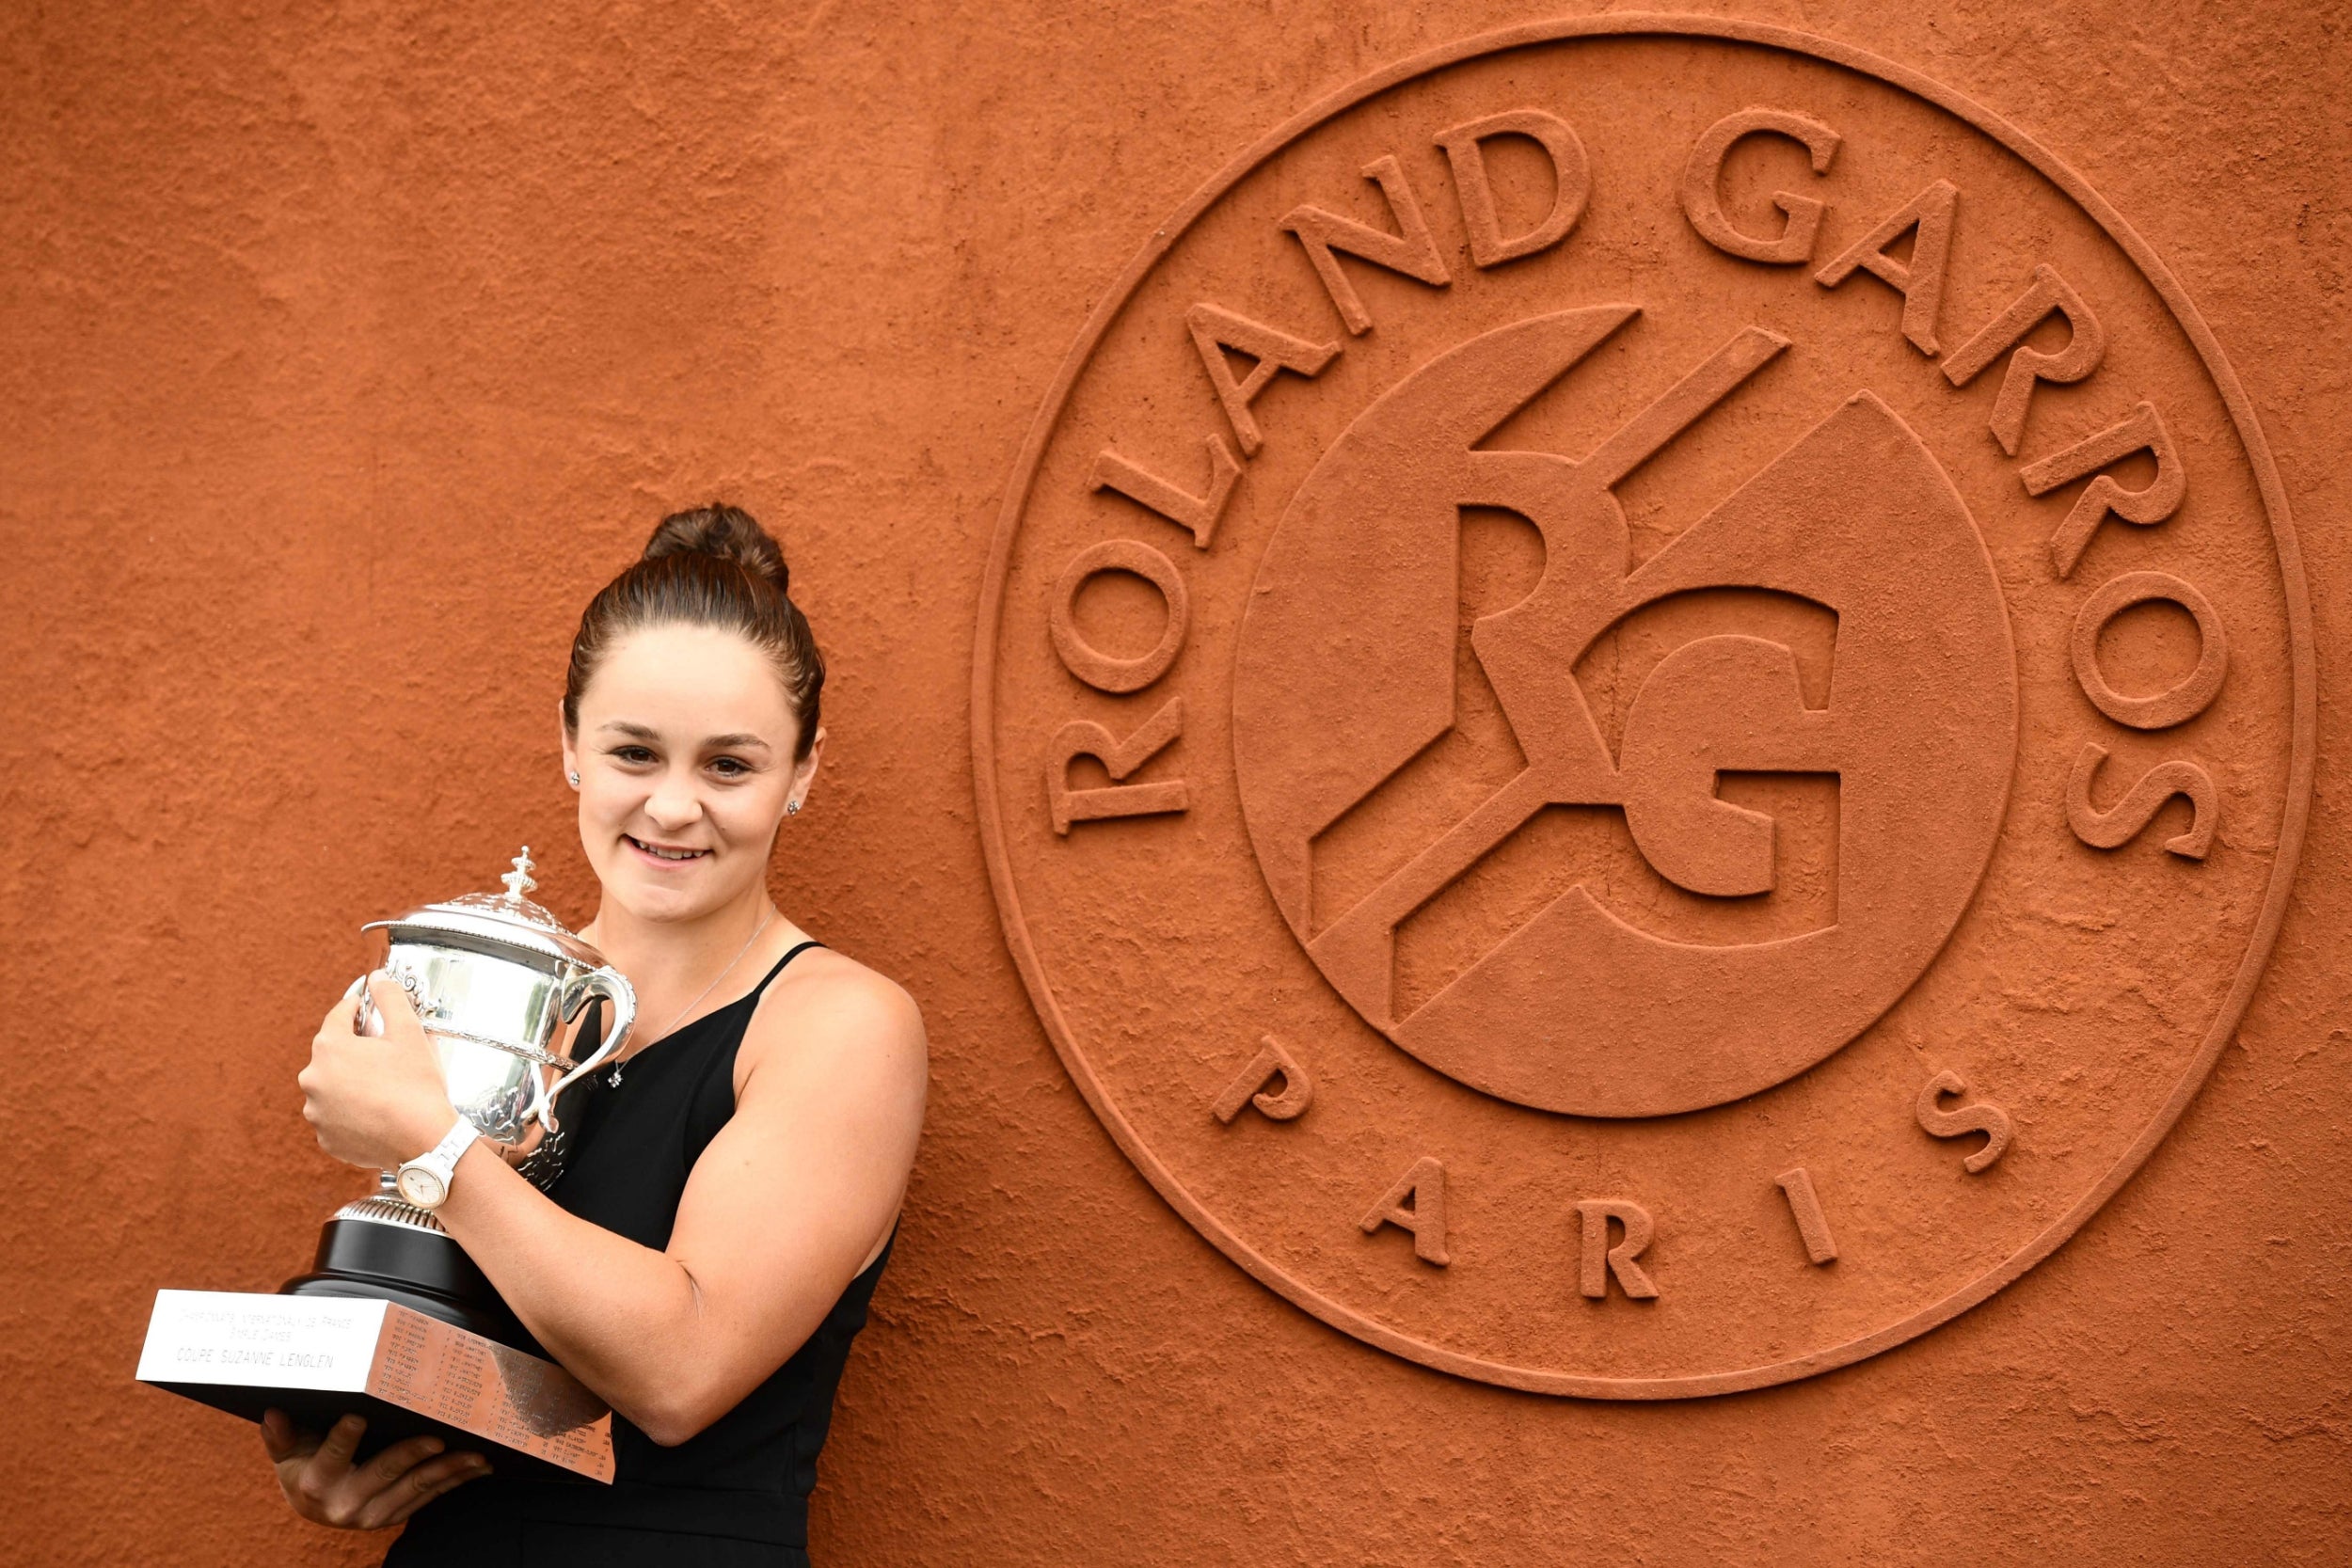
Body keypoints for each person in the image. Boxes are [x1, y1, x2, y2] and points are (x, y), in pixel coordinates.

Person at [262, 504, 928, 1565]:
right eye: (633, 751)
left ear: (802, 773)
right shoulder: (491, 999)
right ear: (570, 742)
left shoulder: (842, 1023)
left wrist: (432, 1145)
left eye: (728, 765)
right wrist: (343, 1440)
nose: (671, 805)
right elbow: (443, 1323)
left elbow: (681, 1372)